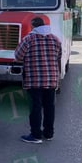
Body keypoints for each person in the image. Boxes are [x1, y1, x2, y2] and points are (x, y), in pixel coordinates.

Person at [14, 16, 62, 144]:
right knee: (49, 107)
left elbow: (18, 56)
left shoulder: (28, 40)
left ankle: (36, 135)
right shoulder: (55, 39)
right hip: (51, 80)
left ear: (33, 26)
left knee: (36, 107)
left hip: (33, 80)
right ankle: (49, 133)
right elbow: (58, 57)